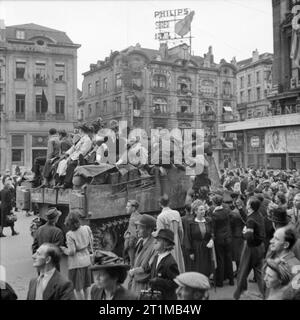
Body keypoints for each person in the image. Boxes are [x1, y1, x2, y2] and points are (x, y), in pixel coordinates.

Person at [233, 197, 266, 300]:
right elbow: (247, 218)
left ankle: (241, 295)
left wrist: (244, 233)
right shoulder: (258, 214)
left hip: (251, 248)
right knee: (259, 273)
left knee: (242, 273)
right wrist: (240, 209)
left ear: (250, 206)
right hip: (260, 247)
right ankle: (266, 294)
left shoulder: (251, 220)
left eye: (247, 203)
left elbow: (249, 237)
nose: (246, 204)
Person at [60, 211, 93, 300]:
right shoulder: (86, 228)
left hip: (76, 264)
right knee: (86, 285)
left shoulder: (70, 234)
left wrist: (64, 250)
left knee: (78, 289)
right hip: (86, 260)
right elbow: (91, 241)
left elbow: (72, 252)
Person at [128, 214, 157, 295]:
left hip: (144, 286)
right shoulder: (140, 241)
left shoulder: (154, 245)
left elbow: (148, 268)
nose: (137, 230)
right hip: (135, 284)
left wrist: (133, 271)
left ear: (149, 230)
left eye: (140, 228)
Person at [58, 123, 93, 189]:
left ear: (82, 130)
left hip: (81, 159)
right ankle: (60, 181)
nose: (78, 131)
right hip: (74, 157)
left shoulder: (87, 140)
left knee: (71, 165)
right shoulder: (81, 139)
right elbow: (73, 148)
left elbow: (82, 152)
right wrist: (66, 154)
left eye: (79, 129)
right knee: (61, 163)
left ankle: (67, 183)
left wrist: (71, 158)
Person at [148, 229, 179, 300]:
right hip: (156, 296)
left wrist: (159, 281)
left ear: (166, 244)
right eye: (155, 240)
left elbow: (175, 283)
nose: (155, 242)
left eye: (158, 241)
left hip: (166, 297)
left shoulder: (170, 262)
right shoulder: (156, 257)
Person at [156, 194, 185, 273]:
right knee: (178, 262)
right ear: (169, 203)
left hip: (166, 244)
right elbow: (181, 230)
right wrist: (180, 242)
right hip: (176, 242)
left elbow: (160, 235)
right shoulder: (176, 213)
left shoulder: (160, 217)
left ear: (160, 204)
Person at [185, 200, 214, 277]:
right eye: (201, 209)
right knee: (197, 268)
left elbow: (212, 233)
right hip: (196, 248)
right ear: (195, 211)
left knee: (206, 267)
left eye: (204, 209)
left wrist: (212, 240)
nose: (203, 211)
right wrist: (190, 252)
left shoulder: (208, 221)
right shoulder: (190, 222)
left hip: (206, 248)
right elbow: (188, 238)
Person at [211, 194, 234, 287]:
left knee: (220, 259)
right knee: (228, 258)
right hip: (228, 237)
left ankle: (220, 281)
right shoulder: (227, 211)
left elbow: (213, 227)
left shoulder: (214, 214)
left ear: (214, 203)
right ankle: (231, 280)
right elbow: (231, 220)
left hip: (219, 238)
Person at [123, 200, 142, 267]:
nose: (126, 207)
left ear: (133, 208)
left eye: (128, 206)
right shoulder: (133, 216)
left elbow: (138, 232)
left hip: (132, 243)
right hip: (131, 242)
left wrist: (130, 240)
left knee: (133, 263)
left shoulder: (136, 217)